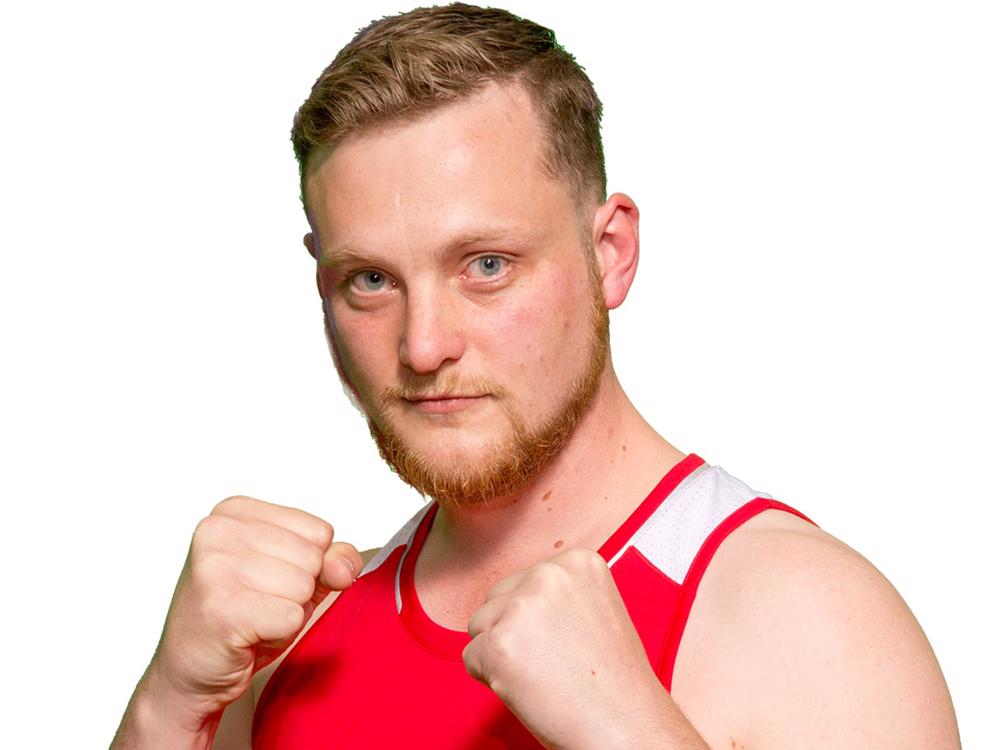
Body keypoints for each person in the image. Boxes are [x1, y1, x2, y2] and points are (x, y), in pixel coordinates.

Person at [112, 4, 961, 748]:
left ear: (610, 254)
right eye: (370, 280)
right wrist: (167, 704)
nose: (423, 346)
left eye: (486, 264)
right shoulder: (292, 644)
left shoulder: (808, 623)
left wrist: (629, 732)